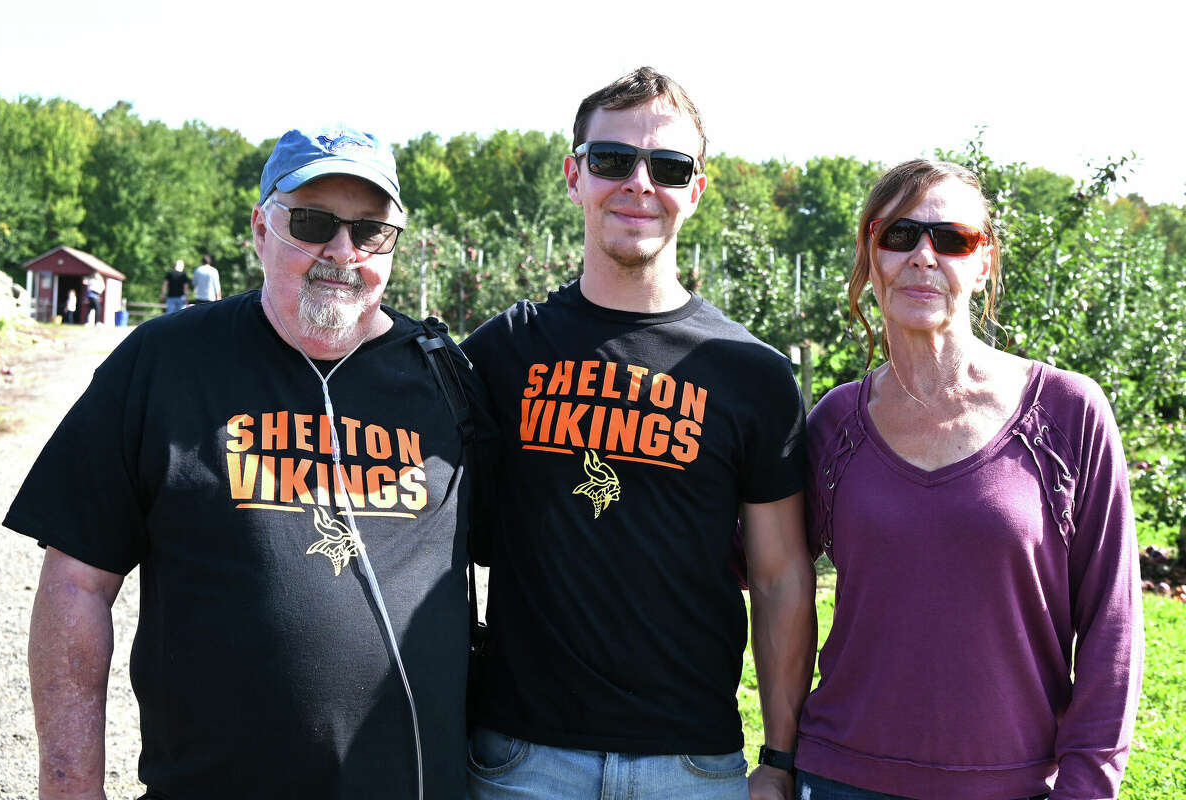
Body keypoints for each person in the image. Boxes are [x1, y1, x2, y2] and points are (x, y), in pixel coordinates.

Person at [5, 124, 493, 799]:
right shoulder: (165, 365)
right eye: (315, 222)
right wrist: (69, 789)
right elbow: (75, 586)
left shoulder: (448, 381)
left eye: (371, 230)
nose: (343, 251)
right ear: (261, 228)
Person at [461, 67, 815, 800]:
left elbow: (780, 578)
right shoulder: (501, 353)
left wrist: (779, 758)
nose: (639, 183)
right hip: (521, 759)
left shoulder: (752, 375)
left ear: (696, 189)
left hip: (689, 764)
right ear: (573, 176)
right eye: (613, 160)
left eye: (670, 166)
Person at [794, 159, 1143, 800]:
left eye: (952, 239)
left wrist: (1087, 785)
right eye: (898, 234)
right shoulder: (835, 424)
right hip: (841, 777)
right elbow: (759, 568)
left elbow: (1112, 625)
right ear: (870, 254)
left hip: (1010, 784)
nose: (923, 256)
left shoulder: (1068, 413)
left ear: (983, 262)